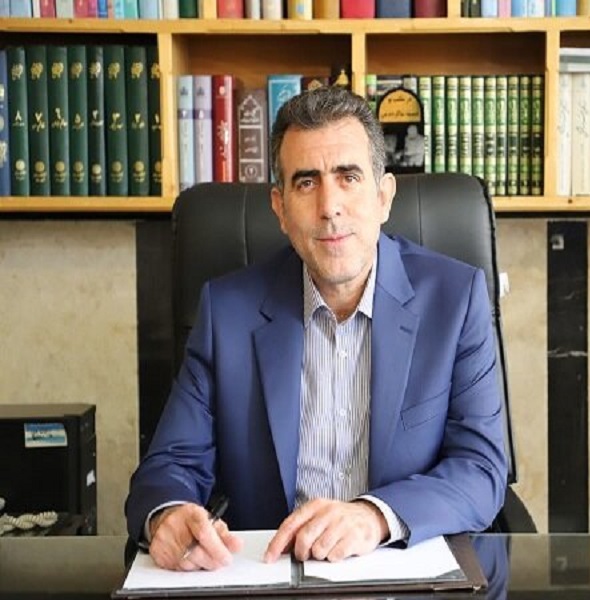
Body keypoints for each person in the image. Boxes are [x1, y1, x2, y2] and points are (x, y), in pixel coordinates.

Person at [125, 86, 508, 572]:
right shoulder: (227, 312)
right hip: (268, 574)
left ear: (384, 196)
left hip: (401, 572)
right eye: (306, 183)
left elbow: (480, 468)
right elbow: (170, 465)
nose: (330, 206)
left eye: (349, 177)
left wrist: (375, 516)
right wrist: (170, 515)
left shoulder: (454, 300)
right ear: (280, 208)